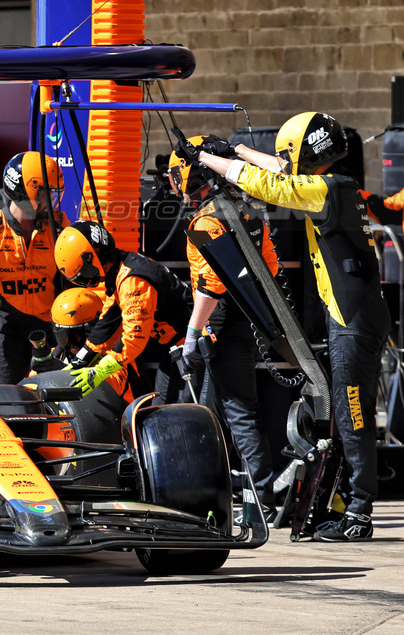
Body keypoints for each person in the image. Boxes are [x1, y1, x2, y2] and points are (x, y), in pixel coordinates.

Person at [194, 112, 387, 542]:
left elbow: (275, 186)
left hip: (351, 320)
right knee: (346, 414)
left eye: (289, 152)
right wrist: (236, 151)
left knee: (352, 415)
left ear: (308, 150)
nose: (284, 159)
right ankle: (346, 503)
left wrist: (212, 161)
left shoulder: (328, 188)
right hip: (359, 315)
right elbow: (284, 173)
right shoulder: (338, 185)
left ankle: (358, 513)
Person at [169, 135, 278, 510]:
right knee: (211, 409)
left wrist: (191, 334)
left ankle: (261, 492)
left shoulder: (204, 222)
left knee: (237, 408)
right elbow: (272, 267)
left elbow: (209, 286)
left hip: (223, 321)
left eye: (175, 175)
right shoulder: (248, 212)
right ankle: (214, 485)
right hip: (247, 315)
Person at [0, 153, 67, 384]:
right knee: (3, 401)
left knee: (60, 401)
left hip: (53, 329)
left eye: (53, 195)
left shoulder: (60, 226)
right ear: (24, 192)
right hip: (7, 329)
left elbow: (74, 281)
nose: (50, 201)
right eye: (45, 195)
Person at [53, 220, 191, 402]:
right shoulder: (123, 268)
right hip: (175, 347)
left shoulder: (132, 280)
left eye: (85, 274)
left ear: (95, 257)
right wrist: (81, 359)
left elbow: (134, 337)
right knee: (163, 408)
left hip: (194, 345)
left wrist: (100, 369)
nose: (88, 281)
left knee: (181, 414)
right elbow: (109, 319)